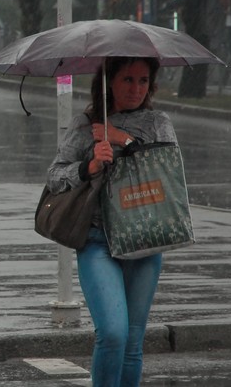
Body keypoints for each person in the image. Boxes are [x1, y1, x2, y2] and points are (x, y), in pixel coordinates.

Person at [46, 57, 175, 386]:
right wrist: (88, 166)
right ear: (110, 82)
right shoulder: (86, 124)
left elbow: (169, 171)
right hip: (97, 241)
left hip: (146, 241)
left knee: (133, 343)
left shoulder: (158, 122)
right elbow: (55, 177)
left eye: (143, 81)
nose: (136, 89)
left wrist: (123, 139)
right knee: (114, 333)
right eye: (127, 79)